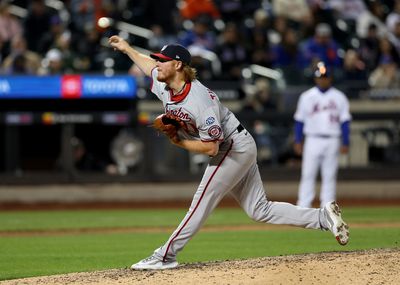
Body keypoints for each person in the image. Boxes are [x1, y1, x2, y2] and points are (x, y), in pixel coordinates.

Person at [108, 36, 350, 270]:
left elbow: (211, 147)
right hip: (237, 144)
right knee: (259, 210)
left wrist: (179, 143)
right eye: (158, 60)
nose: (157, 64)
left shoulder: (199, 100)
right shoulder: (164, 84)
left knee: (201, 202)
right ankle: (322, 218)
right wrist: (128, 48)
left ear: (178, 65)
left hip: (232, 146)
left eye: (163, 60)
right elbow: (147, 65)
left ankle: (165, 256)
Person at [293, 62, 351, 208]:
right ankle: (303, 206)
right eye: (320, 77)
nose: (323, 80)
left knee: (329, 175)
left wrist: (345, 141)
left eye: (325, 77)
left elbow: (345, 121)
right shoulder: (307, 96)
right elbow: (299, 121)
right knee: (308, 174)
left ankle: (328, 208)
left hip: (332, 139)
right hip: (312, 139)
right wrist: (298, 140)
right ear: (315, 79)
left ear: (330, 78)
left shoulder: (339, 97)